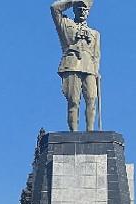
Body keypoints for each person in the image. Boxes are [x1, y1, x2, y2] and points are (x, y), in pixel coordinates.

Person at [50, 0, 101, 132]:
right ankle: (74, 132)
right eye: (79, 8)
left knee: (91, 99)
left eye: (85, 9)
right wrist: (73, 1)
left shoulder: (95, 34)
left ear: (89, 12)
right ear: (74, 9)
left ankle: (90, 132)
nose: (82, 11)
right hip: (72, 65)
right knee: (73, 101)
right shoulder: (66, 25)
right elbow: (54, 8)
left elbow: (96, 56)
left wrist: (96, 72)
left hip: (89, 68)